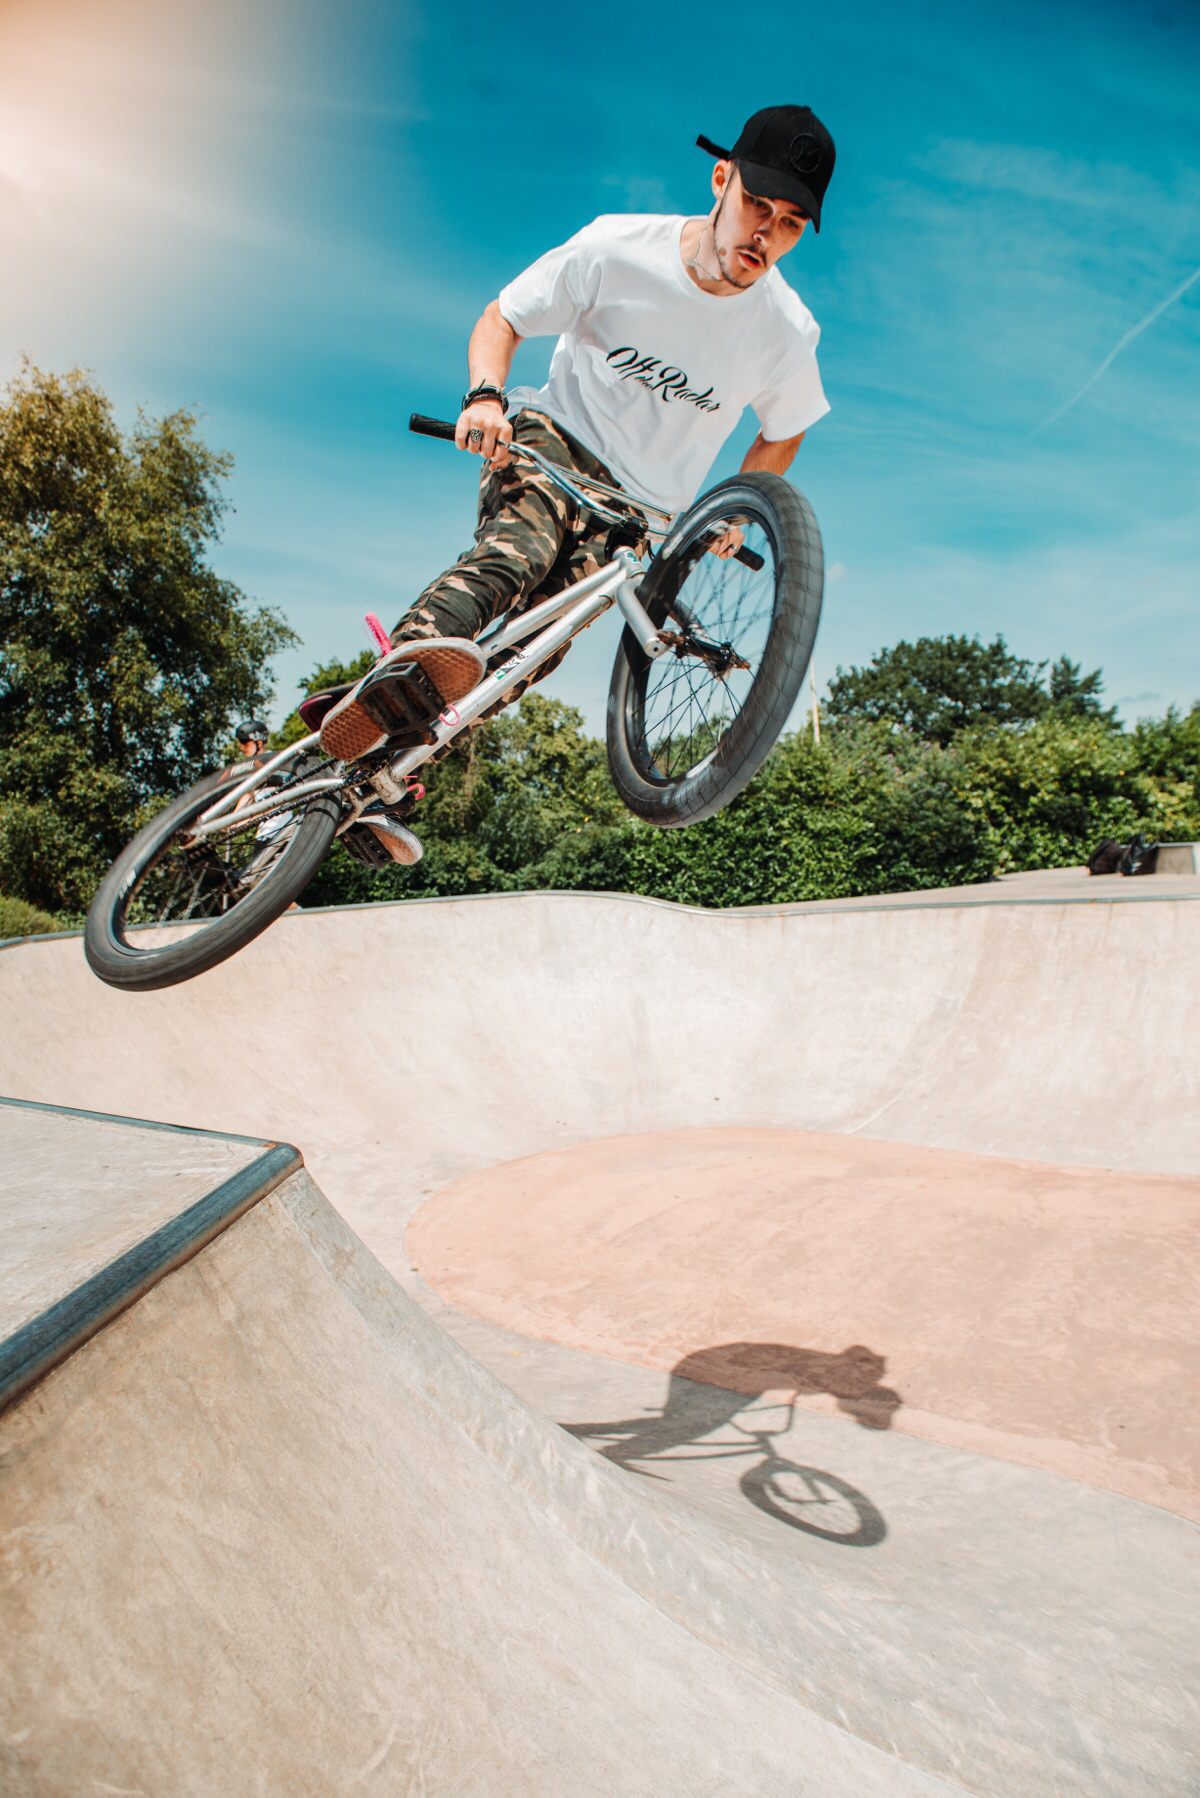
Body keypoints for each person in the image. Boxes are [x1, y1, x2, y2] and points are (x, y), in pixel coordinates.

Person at [319, 102, 837, 794]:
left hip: (637, 513)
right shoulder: (617, 249)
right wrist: (485, 397)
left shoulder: (786, 331)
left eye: (790, 224)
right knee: (519, 556)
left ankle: (383, 780)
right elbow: (503, 317)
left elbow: (786, 426)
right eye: (757, 206)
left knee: (538, 646)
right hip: (555, 444)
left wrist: (738, 509)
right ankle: (399, 674)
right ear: (721, 180)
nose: (765, 235)